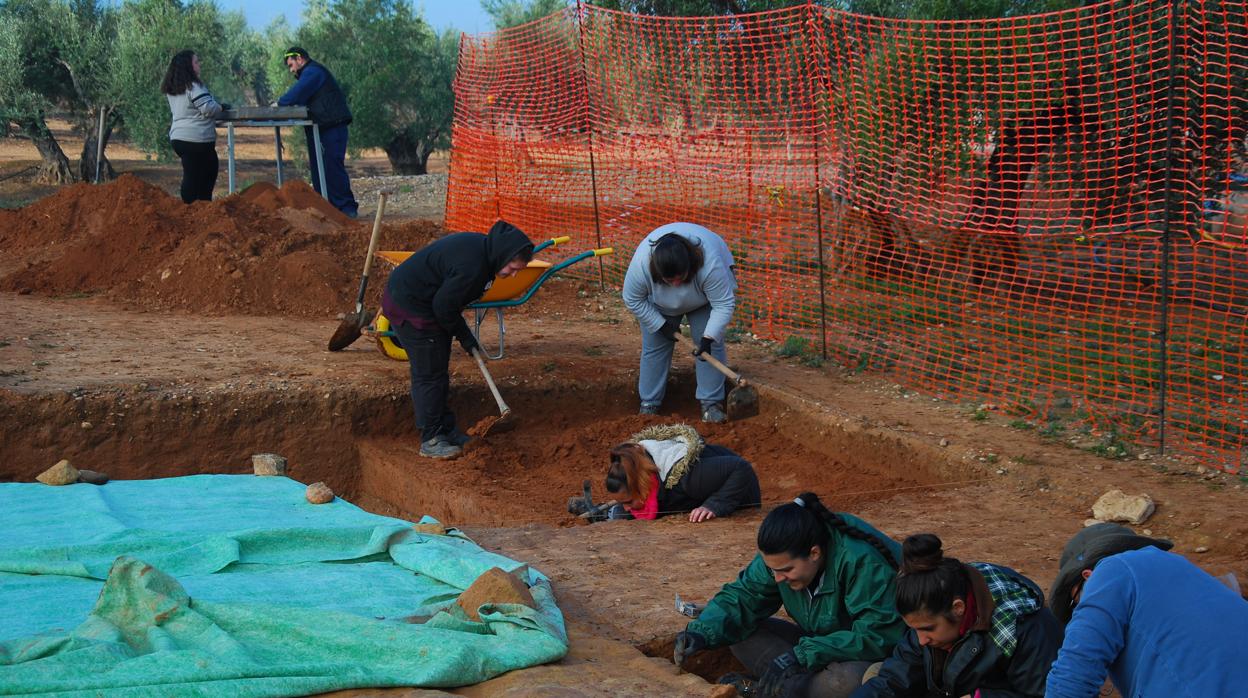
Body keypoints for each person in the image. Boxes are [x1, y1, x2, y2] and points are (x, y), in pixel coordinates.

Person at [674, 493, 904, 698]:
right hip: (821, 647)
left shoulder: (861, 561)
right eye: (772, 569)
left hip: (871, 655)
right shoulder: (780, 557)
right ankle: (783, 688)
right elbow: (744, 597)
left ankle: (767, 690)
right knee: (738, 631)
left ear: (814, 553)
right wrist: (700, 633)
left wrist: (800, 655)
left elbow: (878, 636)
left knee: (848, 681)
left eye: (785, 570)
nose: (777, 578)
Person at [381, 220, 534, 460]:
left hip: (429, 304)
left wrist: (464, 336)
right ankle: (431, 438)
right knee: (429, 373)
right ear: (503, 255)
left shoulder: (486, 254)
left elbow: (446, 305)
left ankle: (446, 430)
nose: (512, 275)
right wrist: (465, 336)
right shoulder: (473, 266)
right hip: (410, 304)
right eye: (512, 268)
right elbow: (443, 306)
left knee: (438, 368)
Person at [1045, 523, 1248, 697]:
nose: (1080, 615)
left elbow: (1072, 678)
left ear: (1088, 576)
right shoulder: (1183, 570)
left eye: (1076, 605)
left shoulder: (1110, 571)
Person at [853, 533, 1062, 698]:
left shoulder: (1024, 629)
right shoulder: (930, 610)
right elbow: (895, 679)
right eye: (913, 629)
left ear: (958, 608)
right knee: (874, 675)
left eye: (927, 629)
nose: (921, 641)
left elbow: (1048, 694)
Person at [622, 222, 736, 423]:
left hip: (704, 299)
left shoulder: (710, 264)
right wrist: (660, 324)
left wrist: (708, 337)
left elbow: (723, 304)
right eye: (669, 280)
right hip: (659, 303)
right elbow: (632, 298)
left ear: (689, 267)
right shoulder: (642, 266)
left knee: (709, 348)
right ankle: (649, 404)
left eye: (680, 278)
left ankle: (711, 405)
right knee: (655, 347)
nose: (676, 284)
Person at [603, 423, 760, 522]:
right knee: (621, 515)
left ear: (643, 484)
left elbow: (741, 468)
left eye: (629, 502)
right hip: (692, 493)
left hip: (739, 498)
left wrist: (714, 505)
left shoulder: (689, 478)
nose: (627, 507)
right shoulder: (643, 472)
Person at [276, 47, 359, 218]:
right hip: (321, 127)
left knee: (332, 166)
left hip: (332, 126)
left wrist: (280, 103)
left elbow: (295, 94)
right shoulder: (312, 73)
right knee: (319, 168)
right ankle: (326, 208)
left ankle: (346, 208)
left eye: (291, 65)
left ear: (299, 58)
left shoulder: (313, 72)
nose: (291, 70)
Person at [161, 50, 226, 204]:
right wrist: (221, 107)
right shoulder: (194, 86)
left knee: (191, 173)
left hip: (178, 137)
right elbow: (208, 108)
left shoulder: (173, 89)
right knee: (208, 171)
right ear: (188, 66)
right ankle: (199, 210)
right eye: (196, 62)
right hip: (197, 139)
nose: (199, 64)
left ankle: (189, 210)